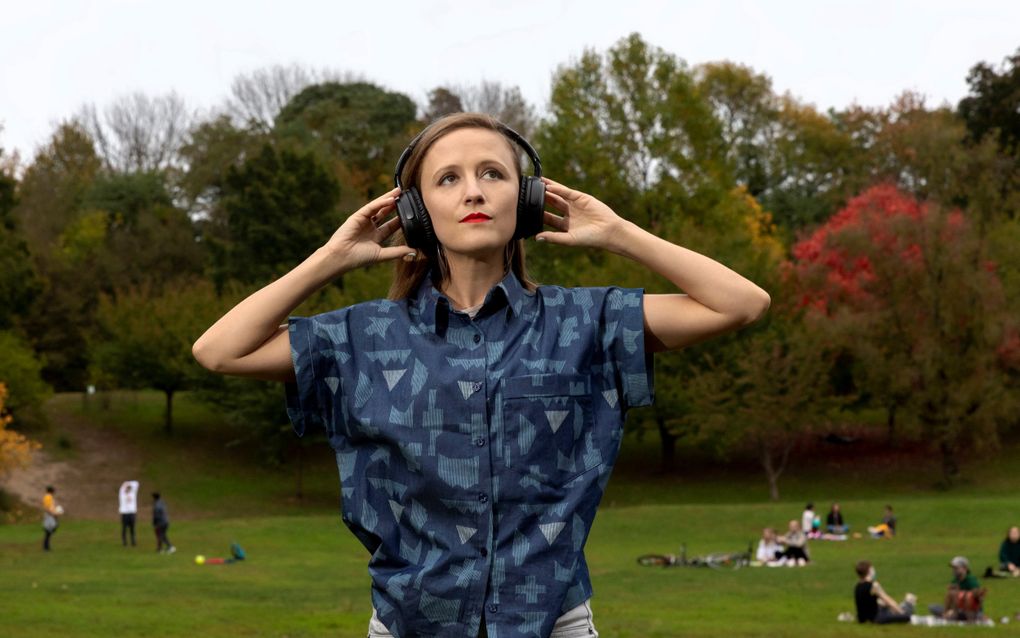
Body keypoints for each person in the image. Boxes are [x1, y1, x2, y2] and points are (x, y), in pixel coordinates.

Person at [192, 112, 770, 638]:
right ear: (414, 213)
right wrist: (330, 259)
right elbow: (219, 351)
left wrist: (619, 235)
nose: (473, 191)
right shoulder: (359, 338)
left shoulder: (585, 322)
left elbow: (740, 303)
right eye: (448, 179)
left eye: (493, 173)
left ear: (524, 197)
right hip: (408, 623)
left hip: (554, 623)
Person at [928, 556, 984, 621]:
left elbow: (977, 599)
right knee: (932, 607)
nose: (953, 570)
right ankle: (949, 614)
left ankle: (951, 615)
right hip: (957, 609)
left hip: (971, 611)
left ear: (964, 568)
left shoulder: (971, 580)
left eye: (956, 568)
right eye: (953, 568)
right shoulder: (955, 581)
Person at [41, 485, 62, 551]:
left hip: (50, 515)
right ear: (52, 491)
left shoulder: (49, 497)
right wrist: (54, 514)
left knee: (50, 530)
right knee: (49, 530)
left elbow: (51, 506)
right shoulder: (48, 497)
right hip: (49, 515)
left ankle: (46, 546)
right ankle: (46, 547)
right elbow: (47, 508)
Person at [119, 480, 139, 547]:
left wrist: (129, 483)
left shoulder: (133, 493)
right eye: (127, 487)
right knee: (124, 528)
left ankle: (133, 541)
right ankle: (124, 542)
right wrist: (125, 484)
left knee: (132, 528)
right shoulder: (122, 494)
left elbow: (136, 483)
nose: (128, 488)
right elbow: (122, 487)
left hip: (132, 513)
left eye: (129, 487)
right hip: (124, 514)